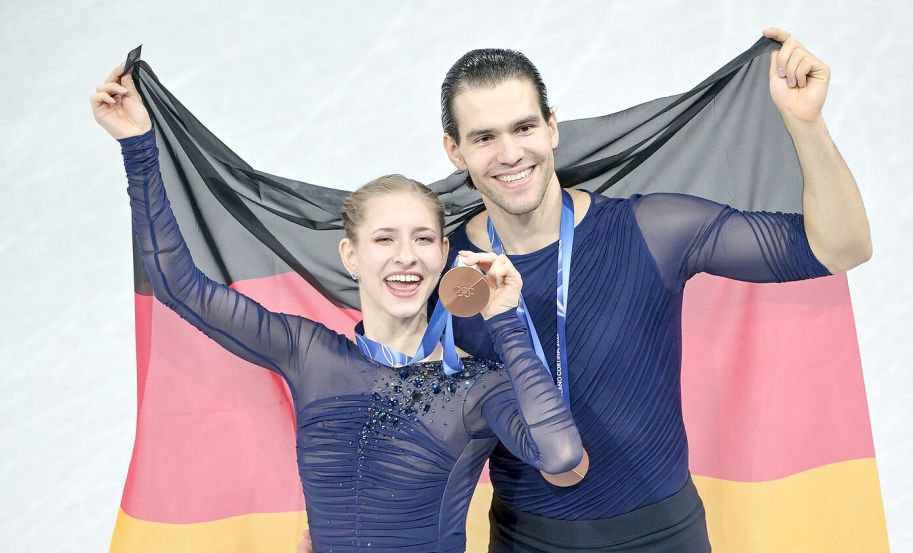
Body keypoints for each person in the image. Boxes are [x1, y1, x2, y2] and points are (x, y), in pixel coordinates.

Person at [304, 24, 873, 552]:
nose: (510, 154)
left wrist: (806, 124)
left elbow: (841, 248)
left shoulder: (653, 231)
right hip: (526, 541)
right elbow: (379, 395)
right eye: (484, 138)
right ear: (455, 151)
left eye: (524, 128)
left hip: (666, 537)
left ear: (552, 127)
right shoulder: (440, 271)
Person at [91, 63, 585, 553]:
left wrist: (504, 319)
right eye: (384, 239)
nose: (406, 256)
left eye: (422, 239)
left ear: (442, 254)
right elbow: (179, 286)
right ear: (351, 256)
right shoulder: (309, 352)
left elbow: (561, 456)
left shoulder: (477, 386)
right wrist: (138, 146)